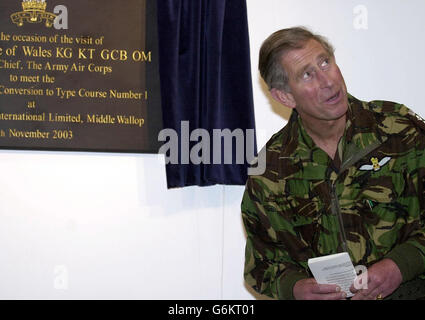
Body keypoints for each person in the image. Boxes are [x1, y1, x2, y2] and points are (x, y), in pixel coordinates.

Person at [241, 26, 425, 300]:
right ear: (285, 96)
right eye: (307, 74)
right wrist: (296, 288)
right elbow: (263, 265)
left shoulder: (399, 130)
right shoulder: (271, 171)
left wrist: (401, 264)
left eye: (326, 62)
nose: (328, 81)